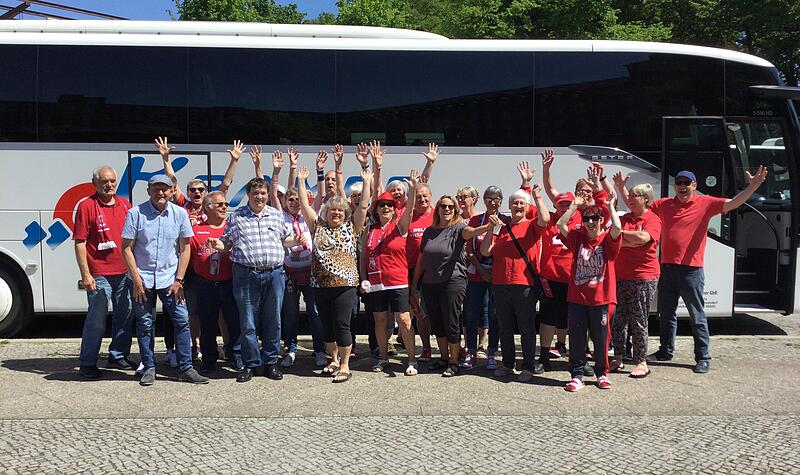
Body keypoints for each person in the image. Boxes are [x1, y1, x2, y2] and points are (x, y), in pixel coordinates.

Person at [644, 167, 768, 373]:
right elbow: (640, 205)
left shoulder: (706, 203)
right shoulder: (664, 204)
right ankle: (665, 351)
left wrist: (752, 187)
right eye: (679, 183)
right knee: (666, 314)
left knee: (697, 316)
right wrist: (620, 189)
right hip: (667, 268)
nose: (682, 186)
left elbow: (733, 203)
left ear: (695, 186)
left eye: (687, 183)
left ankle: (703, 357)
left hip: (691, 271)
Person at [156, 137, 245, 366]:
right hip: (195, 269)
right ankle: (196, 349)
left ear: (205, 193)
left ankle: (229, 349)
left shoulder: (214, 204)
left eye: (200, 190)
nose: (196, 193)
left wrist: (234, 160)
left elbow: (226, 184)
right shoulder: (184, 207)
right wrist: (166, 159)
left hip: (219, 270)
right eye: (193, 190)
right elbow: (172, 182)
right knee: (195, 312)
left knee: (226, 315)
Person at [206, 176, 305, 383]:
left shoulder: (276, 216)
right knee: (248, 321)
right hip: (245, 274)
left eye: (262, 193)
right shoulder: (237, 217)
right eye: (255, 194)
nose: (259, 197)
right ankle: (251, 364)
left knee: (273, 320)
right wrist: (218, 245)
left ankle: (270, 363)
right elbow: (227, 242)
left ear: (267, 195)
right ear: (248, 195)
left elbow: (285, 239)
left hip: (274, 273)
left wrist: (296, 240)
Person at [121, 174, 208, 386]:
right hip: (143, 279)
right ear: (149, 190)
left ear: (171, 191)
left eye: (165, 189)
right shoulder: (135, 213)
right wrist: (136, 279)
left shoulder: (180, 214)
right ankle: (149, 367)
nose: (160, 192)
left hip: (170, 279)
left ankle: (186, 367)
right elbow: (126, 248)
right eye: (156, 188)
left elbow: (185, 248)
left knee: (181, 321)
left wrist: (179, 279)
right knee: (144, 324)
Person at [297, 159, 372, 383]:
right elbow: (304, 205)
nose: (336, 213)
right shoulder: (317, 226)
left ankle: (345, 365)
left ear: (345, 213)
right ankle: (333, 359)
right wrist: (301, 181)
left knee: (342, 325)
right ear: (326, 212)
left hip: (345, 286)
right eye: (332, 210)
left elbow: (364, 206)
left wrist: (366, 181)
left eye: (340, 210)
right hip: (320, 285)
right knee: (326, 327)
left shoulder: (353, 226)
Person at [412, 195, 495, 377]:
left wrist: (488, 227)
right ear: (438, 209)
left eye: (451, 206)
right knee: (438, 323)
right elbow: (422, 259)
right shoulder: (429, 231)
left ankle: (454, 361)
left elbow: (471, 232)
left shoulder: (458, 228)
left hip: (452, 282)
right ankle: (443, 358)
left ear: (455, 210)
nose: (447, 209)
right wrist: (414, 285)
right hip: (430, 283)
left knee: (451, 322)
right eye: (443, 206)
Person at [480, 187, 550, 382]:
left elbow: (545, 220)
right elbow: (486, 251)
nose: (518, 206)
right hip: (501, 283)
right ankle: (508, 364)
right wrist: (490, 229)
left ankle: (527, 366)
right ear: (509, 206)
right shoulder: (501, 227)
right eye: (515, 203)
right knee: (505, 326)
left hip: (524, 284)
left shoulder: (531, 225)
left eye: (522, 203)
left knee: (526, 327)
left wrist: (537, 197)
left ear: (527, 207)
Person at [557, 194, 622, 392]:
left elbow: (617, 229)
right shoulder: (578, 238)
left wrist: (610, 206)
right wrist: (574, 207)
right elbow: (561, 225)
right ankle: (576, 375)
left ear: (602, 220)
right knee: (576, 338)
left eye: (595, 218)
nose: (591, 222)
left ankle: (602, 373)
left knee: (601, 339)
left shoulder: (607, 240)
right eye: (586, 219)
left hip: (601, 298)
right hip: (577, 298)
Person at [270, 148, 327, 368]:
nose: (294, 202)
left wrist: (318, 171)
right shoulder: (279, 214)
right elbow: (274, 193)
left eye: (297, 199)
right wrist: (278, 171)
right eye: (291, 199)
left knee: (314, 312)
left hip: (311, 271)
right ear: (285, 202)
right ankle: (291, 349)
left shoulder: (308, 214)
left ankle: (319, 350)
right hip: (289, 273)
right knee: (291, 314)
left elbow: (321, 196)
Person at [74, 166, 133, 379]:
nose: (109, 185)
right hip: (99, 273)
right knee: (96, 319)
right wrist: (86, 274)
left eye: (112, 181)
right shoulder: (86, 206)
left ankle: (118, 355)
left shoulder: (125, 205)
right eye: (104, 181)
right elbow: (80, 243)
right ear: (95, 184)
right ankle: (88, 362)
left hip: (125, 271)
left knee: (124, 316)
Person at [363, 170, 418, 376]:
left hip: (397, 281)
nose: (386, 207)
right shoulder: (371, 229)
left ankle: (412, 360)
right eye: (382, 205)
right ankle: (383, 357)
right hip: (376, 282)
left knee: (404, 319)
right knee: (380, 321)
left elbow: (410, 212)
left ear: (395, 210)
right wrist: (363, 278)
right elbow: (364, 257)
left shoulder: (399, 226)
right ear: (376, 209)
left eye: (389, 205)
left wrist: (411, 191)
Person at [608, 176, 661, 378]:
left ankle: (641, 361)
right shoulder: (625, 219)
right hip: (621, 276)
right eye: (629, 195)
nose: (629, 199)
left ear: (646, 198)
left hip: (643, 277)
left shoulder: (652, 219)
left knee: (639, 320)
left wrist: (624, 237)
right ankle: (619, 358)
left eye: (634, 196)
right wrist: (629, 239)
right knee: (619, 319)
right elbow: (615, 237)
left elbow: (644, 238)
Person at [188, 191, 242, 373]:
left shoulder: (233, 229)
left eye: (225, 204)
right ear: (207, 207)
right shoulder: (195, 230)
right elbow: (186, 255)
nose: (224, 207)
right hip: (205, 284)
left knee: (234, 322)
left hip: (230, 283)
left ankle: (236, 356)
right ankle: (209, 360)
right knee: (207, 324)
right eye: (219, 205)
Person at [463, 186, 503, 370]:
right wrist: (480, 269)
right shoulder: (476, 220)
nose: (492, 202)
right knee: (471, 313)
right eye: (489, 198)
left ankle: (491, 352)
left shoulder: (506, 221)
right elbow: (469, 248)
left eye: (496, 198)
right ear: (484, 200)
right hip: (477, 274)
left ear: (501, 201)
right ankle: (470, 351)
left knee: (494, 315)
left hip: (498, 276)